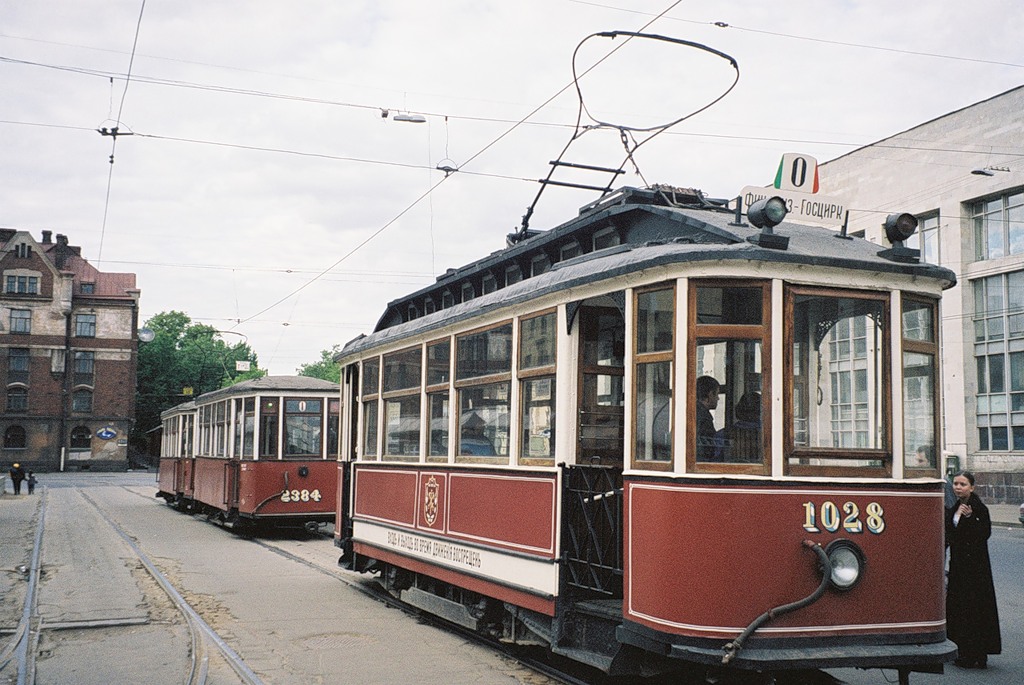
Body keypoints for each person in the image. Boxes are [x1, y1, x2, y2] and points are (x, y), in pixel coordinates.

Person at [945, 470, 1001, 669]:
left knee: (976, 610)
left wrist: (970, 519)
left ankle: (978, 653)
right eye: (956, 484)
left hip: (976, 569)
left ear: (972, 487)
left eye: (963, 484)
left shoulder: (979, 509)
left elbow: (983, 533)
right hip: (959, 566)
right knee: (961, 609)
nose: (958, 487)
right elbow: (950, 533)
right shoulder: (954, 508)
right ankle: (964, 651)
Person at [695, 376, 720, 461]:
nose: (718, 398)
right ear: (710, 395)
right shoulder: (704, 417)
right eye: (717, 394)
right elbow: (708, 449)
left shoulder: (692, 411)